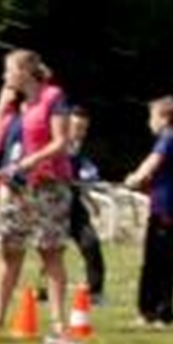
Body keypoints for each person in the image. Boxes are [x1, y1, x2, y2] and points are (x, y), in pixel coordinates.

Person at [0, 49, 74, 344]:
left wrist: (34, 159)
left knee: (50, 252)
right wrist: (1, 103)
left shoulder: (53, 97)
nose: (5, 75)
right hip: (16, 188)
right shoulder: (18, 108)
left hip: (48, 184)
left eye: (9, 70)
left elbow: (62, 142)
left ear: (25, 71)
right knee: (9, 250)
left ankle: (59, 323)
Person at [122, 96, 173, 329]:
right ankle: (148, 311)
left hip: (166, 210)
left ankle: (162, 313)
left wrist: (135, 177)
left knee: (161, 261)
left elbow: (153, 161)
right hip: (159, 207)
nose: (150, 121)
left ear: (165, 117)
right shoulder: (168, 138)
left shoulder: (168, 137)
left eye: (152, 115)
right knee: (152, 260)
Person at [61, 104, 108, 304]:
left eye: (84, 128)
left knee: (91, 243)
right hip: (55, 203)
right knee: (52, 250)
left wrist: (91, 201)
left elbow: (82, 180)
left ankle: (95, 293)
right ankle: (44, 290)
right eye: (77, 127)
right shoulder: (56, 144)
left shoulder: (80, 148)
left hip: (74, 203)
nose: (81, 132)